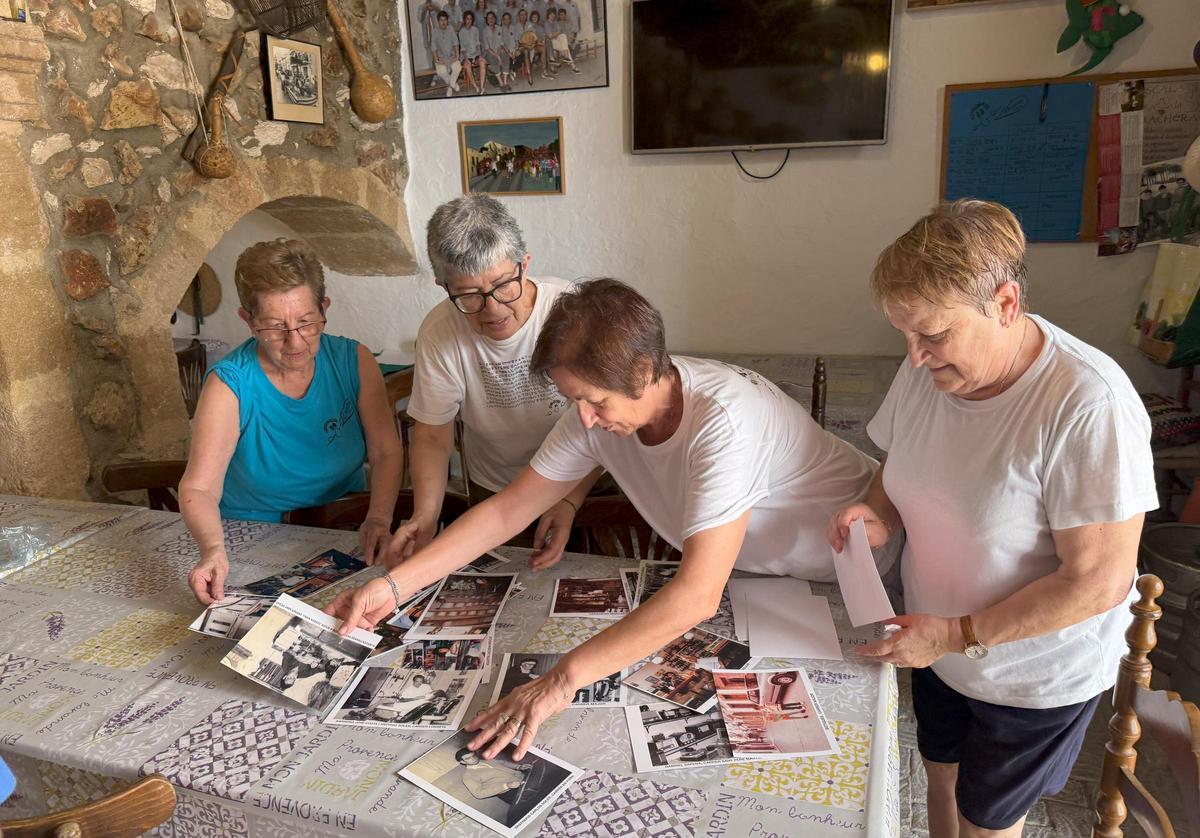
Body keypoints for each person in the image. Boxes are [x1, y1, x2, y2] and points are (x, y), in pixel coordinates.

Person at [328, 278, 885, 761]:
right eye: (574, 400)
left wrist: (560, 681)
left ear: (642, 369)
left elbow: (696, 596)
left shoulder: (725, 423)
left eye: (594, 401)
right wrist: (393, 586)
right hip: (770, 579)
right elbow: (507, 509)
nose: (586, 420)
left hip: (854, 570)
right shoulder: (597, 412)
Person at [826, 199, 1156, 838]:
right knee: (940, 779)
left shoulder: (1089, 404)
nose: (915, 357)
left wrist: (954, 635)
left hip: (1030, 675)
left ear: (1005, 304)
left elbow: (1099, 582)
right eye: (905, 335)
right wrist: (877, 513)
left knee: (986, 822)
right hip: (936, 644)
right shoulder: (930, 371)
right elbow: (897, 465)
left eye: (933, 335)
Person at [181, 239, 402, 604]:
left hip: (343, 522)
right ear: (248, 321)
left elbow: (385, 452)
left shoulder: (354, 360)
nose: (295, 342)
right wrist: (212, 549)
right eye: (274, 327)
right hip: (255, 532)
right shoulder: (229, 384)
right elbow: (200, 488)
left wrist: (379, 518)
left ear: (324, 308)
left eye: (306, 322)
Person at [391, 195, 602, 570]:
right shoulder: (441, 333)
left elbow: (601, 422)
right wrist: (426, 514)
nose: (493, 309)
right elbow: (433, 435)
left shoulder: (567, 311)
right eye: (469, 296)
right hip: (497, 488)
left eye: (503, 285)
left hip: (582, 479)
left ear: (525, 265)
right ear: (444, 287)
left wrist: (570, 499)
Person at [430, 11, 462, 97]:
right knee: (441, 72)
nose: (443, 22)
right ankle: (452, 84)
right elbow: (433, 47)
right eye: (441, 20)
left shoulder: (450, 29)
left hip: (451, 56)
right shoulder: (435, 31)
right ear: (438, 21)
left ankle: (450, 86)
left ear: (447, 21)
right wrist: (436, 59)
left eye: (445, 20)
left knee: (458, 67)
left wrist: (457, 56)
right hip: (441, 58)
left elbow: (456, 43)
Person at [544, 8, 579, 73]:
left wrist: (555, 34)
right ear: (548, 15)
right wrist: (556, 33)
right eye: (551, 14)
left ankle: (568, 59)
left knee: (563, 36)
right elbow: (550, 36)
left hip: (557, 42)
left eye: (553, 14)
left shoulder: (556, 22)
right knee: (565, 47)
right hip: (551, 43)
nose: (552, 16)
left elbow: (559, 32)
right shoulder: (546, 23)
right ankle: (572, 65)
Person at [458, 11, 485, 93]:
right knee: (467, 65)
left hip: (475, 53)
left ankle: (482, 87)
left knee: (482, 62)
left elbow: (477, 44)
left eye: (470, 19)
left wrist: (479, 55)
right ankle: (475, 86)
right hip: (466, 55)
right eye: (467, 19)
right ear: (464, 20)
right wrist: (466, 59)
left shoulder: (475, 29)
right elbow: (462, 48)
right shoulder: (461, 32)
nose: (469, 21)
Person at [483, 11, 510, 90]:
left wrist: (500, 52)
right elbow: (487, 47)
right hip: (490, 52)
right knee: (493, 59)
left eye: (492, 17)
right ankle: (501, 83)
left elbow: (502, 43)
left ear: (495, 19)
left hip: (499, 50)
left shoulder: (499, 28)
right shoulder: (485, 31)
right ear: (487, 20)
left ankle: (505, 82)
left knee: (505, 55)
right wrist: (496, 55)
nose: (491, 19)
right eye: (489, 18)